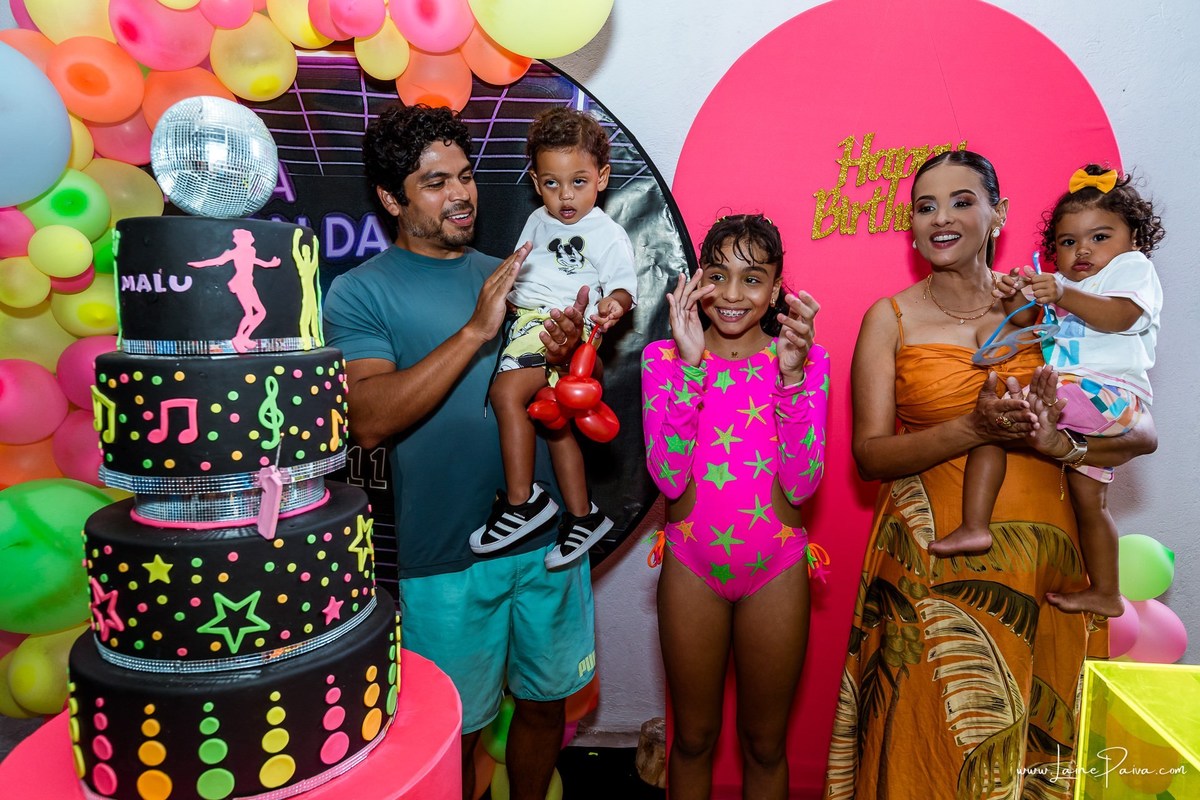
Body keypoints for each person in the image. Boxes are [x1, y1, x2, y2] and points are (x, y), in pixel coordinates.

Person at [823, 151, 1157, 800]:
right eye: (925, 206)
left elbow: (1137, 430)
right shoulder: (889, 318)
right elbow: (869, 457)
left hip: (1046, 573)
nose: (941, 218)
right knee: (927, 754)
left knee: (1032, 762)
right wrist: (974, 428)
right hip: (933, 575)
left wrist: (1062, 444)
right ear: (911, 225)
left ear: (998, 214)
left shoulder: (1051, 306)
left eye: (961, 201)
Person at [322, 103, 596, 800]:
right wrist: (476, 331)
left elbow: (561, 394)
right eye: (436, 182)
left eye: (466, 177)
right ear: (392, 199)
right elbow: (368, 420)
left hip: (548, 543)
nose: (461, 195)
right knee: (455, 731)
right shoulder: (360, 292)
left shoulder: (520, 271)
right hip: (445, 558)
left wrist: (566, 355)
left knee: (546, 706)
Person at [641, 214, 826, 799]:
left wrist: (791, 381)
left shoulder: (806, 361)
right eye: (718, 275)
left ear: (775, 290)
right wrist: (691, 369)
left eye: (752, 279)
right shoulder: (662, 360)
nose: (732, 294)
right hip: (691, 568)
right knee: (693, 739)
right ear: (699, 280)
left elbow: (802, 485)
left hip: (777, 571)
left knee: (765, 745)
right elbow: (668, 478)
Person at [931, 164, 1163, 620]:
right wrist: (1015, 294)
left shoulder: (1131, 270)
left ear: (1134, 238)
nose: (1083, 250)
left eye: (1100, 237)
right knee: (1089, 502)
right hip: (1086, 402)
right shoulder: (1068, 287)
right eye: (1068, 242)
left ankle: (976, 524)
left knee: (1004, 416)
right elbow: (1025, 323)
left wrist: (1062, 292)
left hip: (1108, 394)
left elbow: (1121, 317)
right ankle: (1107, 592)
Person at [471, 106, 638, 569]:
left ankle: (522, 503)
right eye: (551, 183)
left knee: (506, 393)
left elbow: (623, 286)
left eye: (578, 182)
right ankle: (583, 515)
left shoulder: (606, 233)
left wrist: (614, 304)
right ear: (535, 180)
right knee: (555, 421)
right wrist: (508, 298)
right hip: (527, 321)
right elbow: (525, 269)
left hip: (565, 323)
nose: (565, 195)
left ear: (602, 177)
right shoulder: (538, 220)